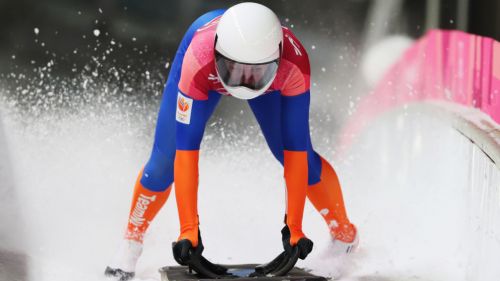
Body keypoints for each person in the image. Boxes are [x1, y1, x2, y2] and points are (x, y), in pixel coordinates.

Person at [105, 3, 358, 280]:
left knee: (295, 155)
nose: (244, 83)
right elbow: (186, 150)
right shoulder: (198, 58)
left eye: (255, 73)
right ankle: (131, 241)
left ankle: (344, 236)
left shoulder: (294, 65)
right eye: (235, 70)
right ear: (217, 53)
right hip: (205, 77)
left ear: (277, 58)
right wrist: (188, 229)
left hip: (257, 76)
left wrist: (294, 228)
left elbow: (296, 150)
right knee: (166, 158)